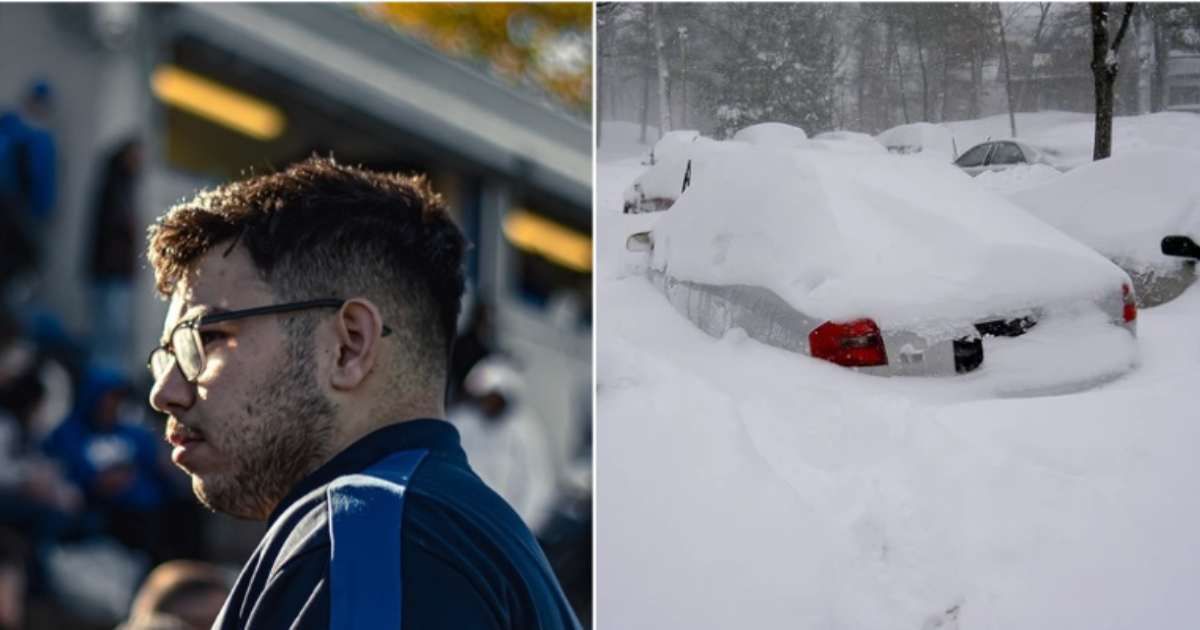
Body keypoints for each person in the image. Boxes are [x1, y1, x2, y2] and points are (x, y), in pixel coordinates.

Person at [144, 157, 581, 629]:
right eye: (167, 355)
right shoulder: (471, 536)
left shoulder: (368, 529)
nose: (164, 392)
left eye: (204, 338)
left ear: (348, 345)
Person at [87, 138, 143, 373]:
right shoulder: (115, 191)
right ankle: (105, 378)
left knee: (112, 332)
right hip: (111, 273)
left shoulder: (123, 188)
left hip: (112, 272)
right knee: (110, 331)